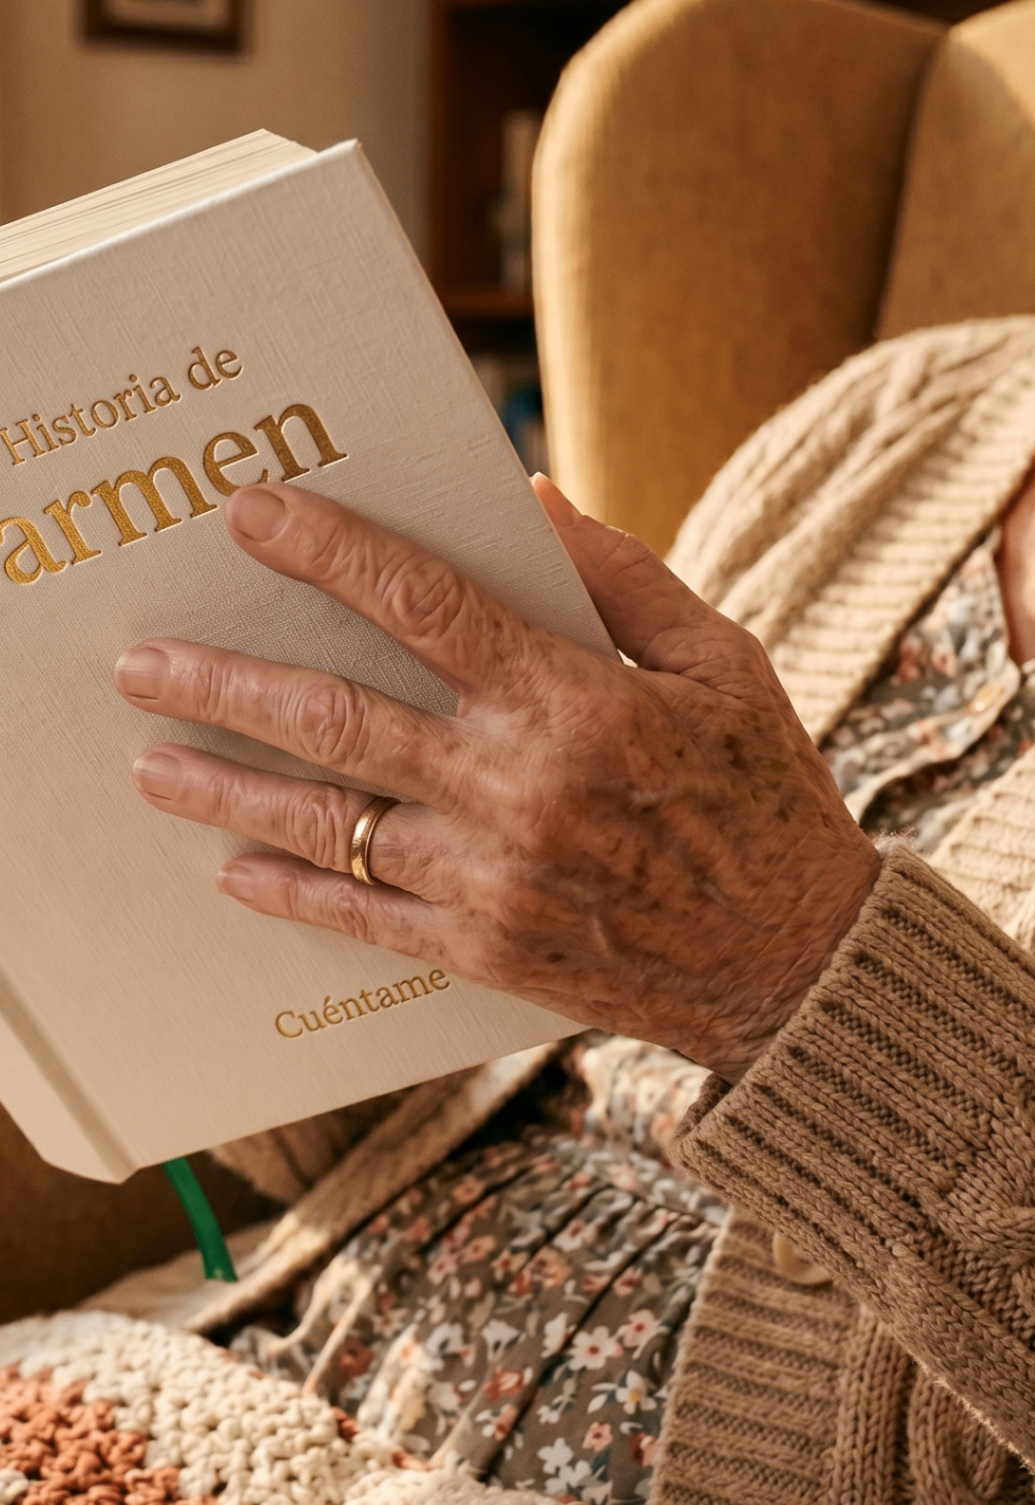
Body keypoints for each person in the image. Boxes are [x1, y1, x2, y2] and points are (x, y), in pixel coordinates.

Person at [110, 317, 1035, 1502]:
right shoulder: (897, 418)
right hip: (264, 1366)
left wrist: (790, 962)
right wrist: (191, 875)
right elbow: (417, 1091)